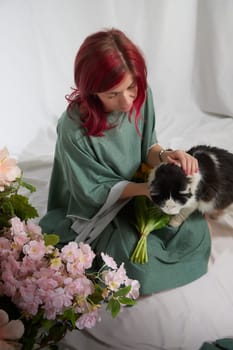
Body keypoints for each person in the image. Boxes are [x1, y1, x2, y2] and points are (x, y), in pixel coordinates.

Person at [40, 28, 210, 295]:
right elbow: (91, 192)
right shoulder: (73, 128)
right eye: (112, 94)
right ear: (91, 91)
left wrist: (166, 157)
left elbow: (147, 148)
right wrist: (147, 190)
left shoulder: (141, 94)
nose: (127, 101)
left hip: (141, 189)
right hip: (101, 209)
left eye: (131, 87)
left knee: (195, 227)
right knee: (135, 267)